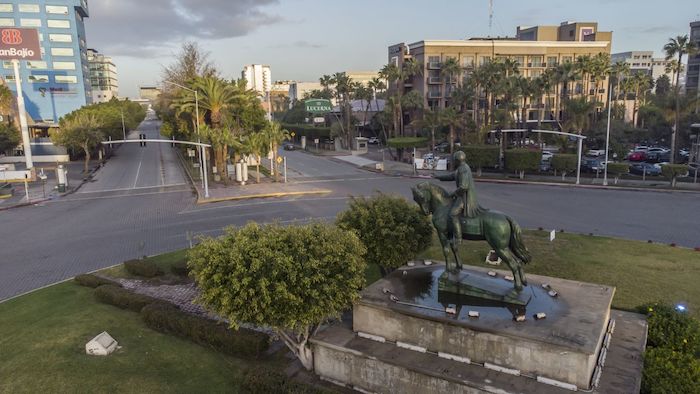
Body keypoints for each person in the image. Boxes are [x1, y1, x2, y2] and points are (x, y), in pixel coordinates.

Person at [434, 151, 485, 242]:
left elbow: (464, 187)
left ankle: (458, 238)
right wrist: (438, 177)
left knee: (453, 214)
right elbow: (451, 176)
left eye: (454, 160)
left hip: (465, 197)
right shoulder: (460, 168)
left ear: (457, 160)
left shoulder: (463, 169)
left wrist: (453, 194)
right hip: (461, 195)